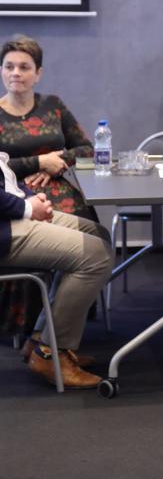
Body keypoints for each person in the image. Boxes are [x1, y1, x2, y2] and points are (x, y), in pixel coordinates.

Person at [0, 35, 97, 341]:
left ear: (38, 73)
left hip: (57, 186)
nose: (16, 73)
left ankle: (55, 325)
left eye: (24, 67)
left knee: (92, 234)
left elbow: (87, 149)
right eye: (9, 66)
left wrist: (58, 162)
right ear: (1, 71)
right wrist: (38, 162)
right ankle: (32, 330)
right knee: (61, 243)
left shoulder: (53, 105)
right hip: (13, 194)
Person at [0, 152, 114, 388]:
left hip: (11, 213)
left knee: (98, 234)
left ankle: (40, 340)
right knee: (97, 256)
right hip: (6, 226)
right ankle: (52, 354)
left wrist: (31, 197)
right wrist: (26, 208)